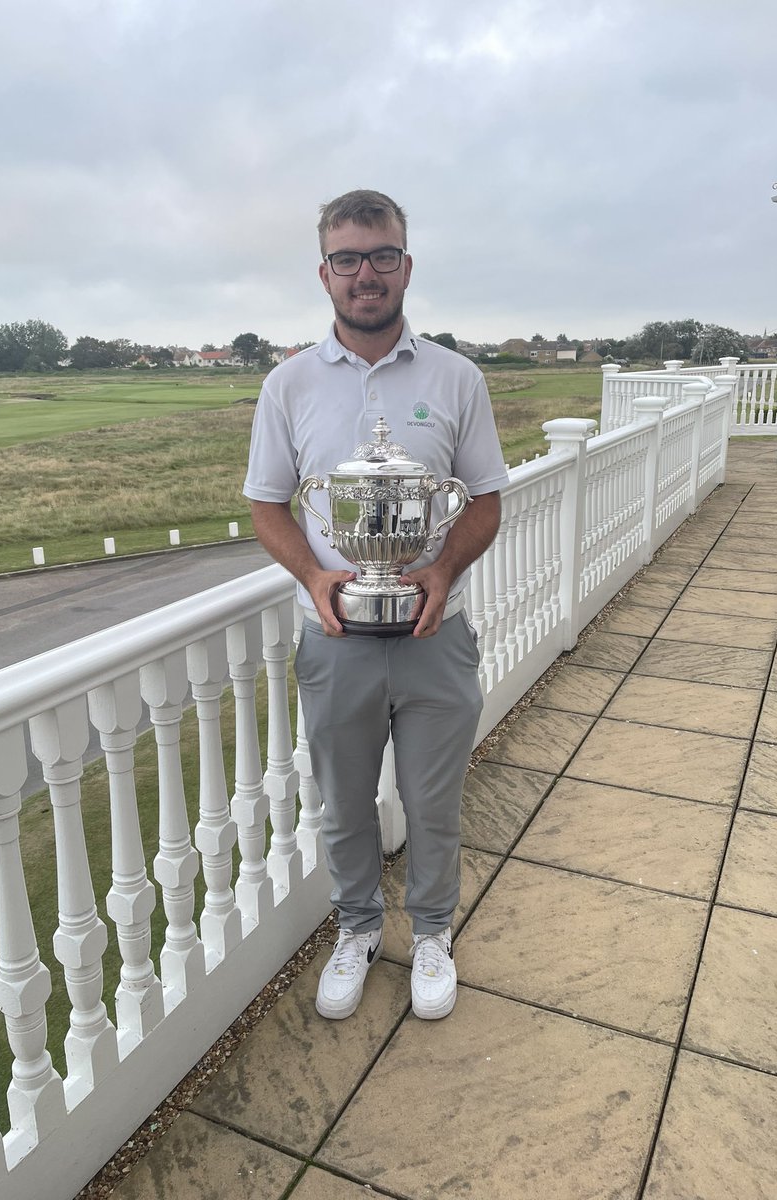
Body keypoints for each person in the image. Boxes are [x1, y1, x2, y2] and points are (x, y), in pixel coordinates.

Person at [243, 189, 508, 1021]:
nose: (367, 274)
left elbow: (486, 501)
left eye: (382, 255)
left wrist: (441, 569)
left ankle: (432, 934)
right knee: (343, 804)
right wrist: (315, 579)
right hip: (335, 639)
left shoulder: (455, 377)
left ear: (406, 265)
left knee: (435, 804)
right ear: (325, 272)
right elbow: (268, 505)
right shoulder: (287, 386)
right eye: (349, 258)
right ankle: (356, 929)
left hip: (437, 634)